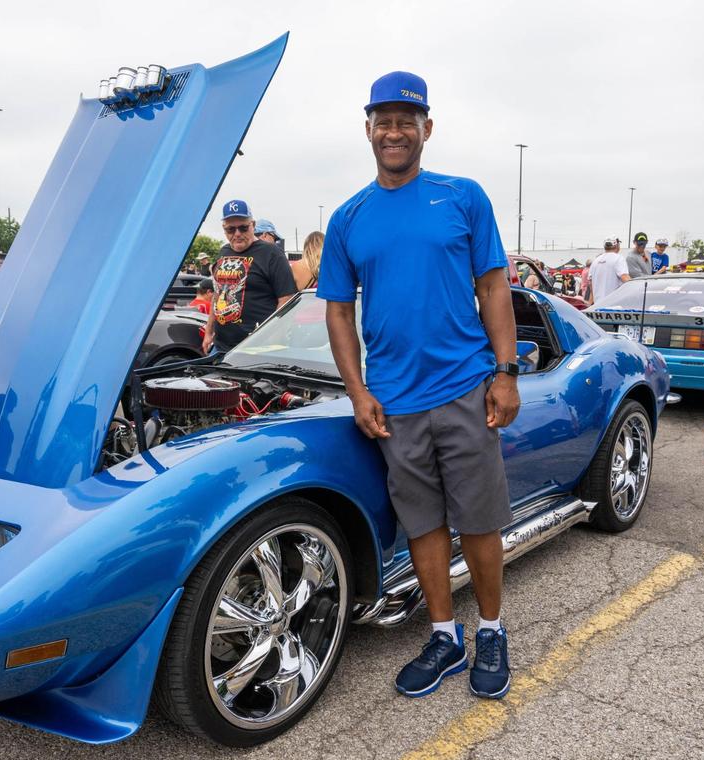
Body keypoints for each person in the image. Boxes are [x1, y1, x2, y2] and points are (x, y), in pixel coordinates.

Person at [318, 71, 520, 701]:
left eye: (408, 119)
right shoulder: (350, 217)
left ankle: (490, 630)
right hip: (395, 404)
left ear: (427, 129)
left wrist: (506, 372)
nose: (395, 130)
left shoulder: (462, 197)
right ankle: (444, 636)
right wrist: (358, 391)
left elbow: (493, 287)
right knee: (424, 526)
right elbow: (338, 311)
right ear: (369, 129)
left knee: (479, 521)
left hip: (465, 387)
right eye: (385, 119)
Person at [202, 200, 296, 353]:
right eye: (231, 229)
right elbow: (217, 293)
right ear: (224, 229)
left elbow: (286, 299)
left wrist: (272, 339)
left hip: (257, 349)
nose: (237, 234)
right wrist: (209, 331)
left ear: (253, 225)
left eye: (243, 228)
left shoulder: (272, 253)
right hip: (221, 347)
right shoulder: (223, 252)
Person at [590, 237, 630, 302]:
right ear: (617, 246)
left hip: (597, 304)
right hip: (613, 304)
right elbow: (625, 278)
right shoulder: (619, 258)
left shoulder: (595, 261)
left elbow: (590, 284)